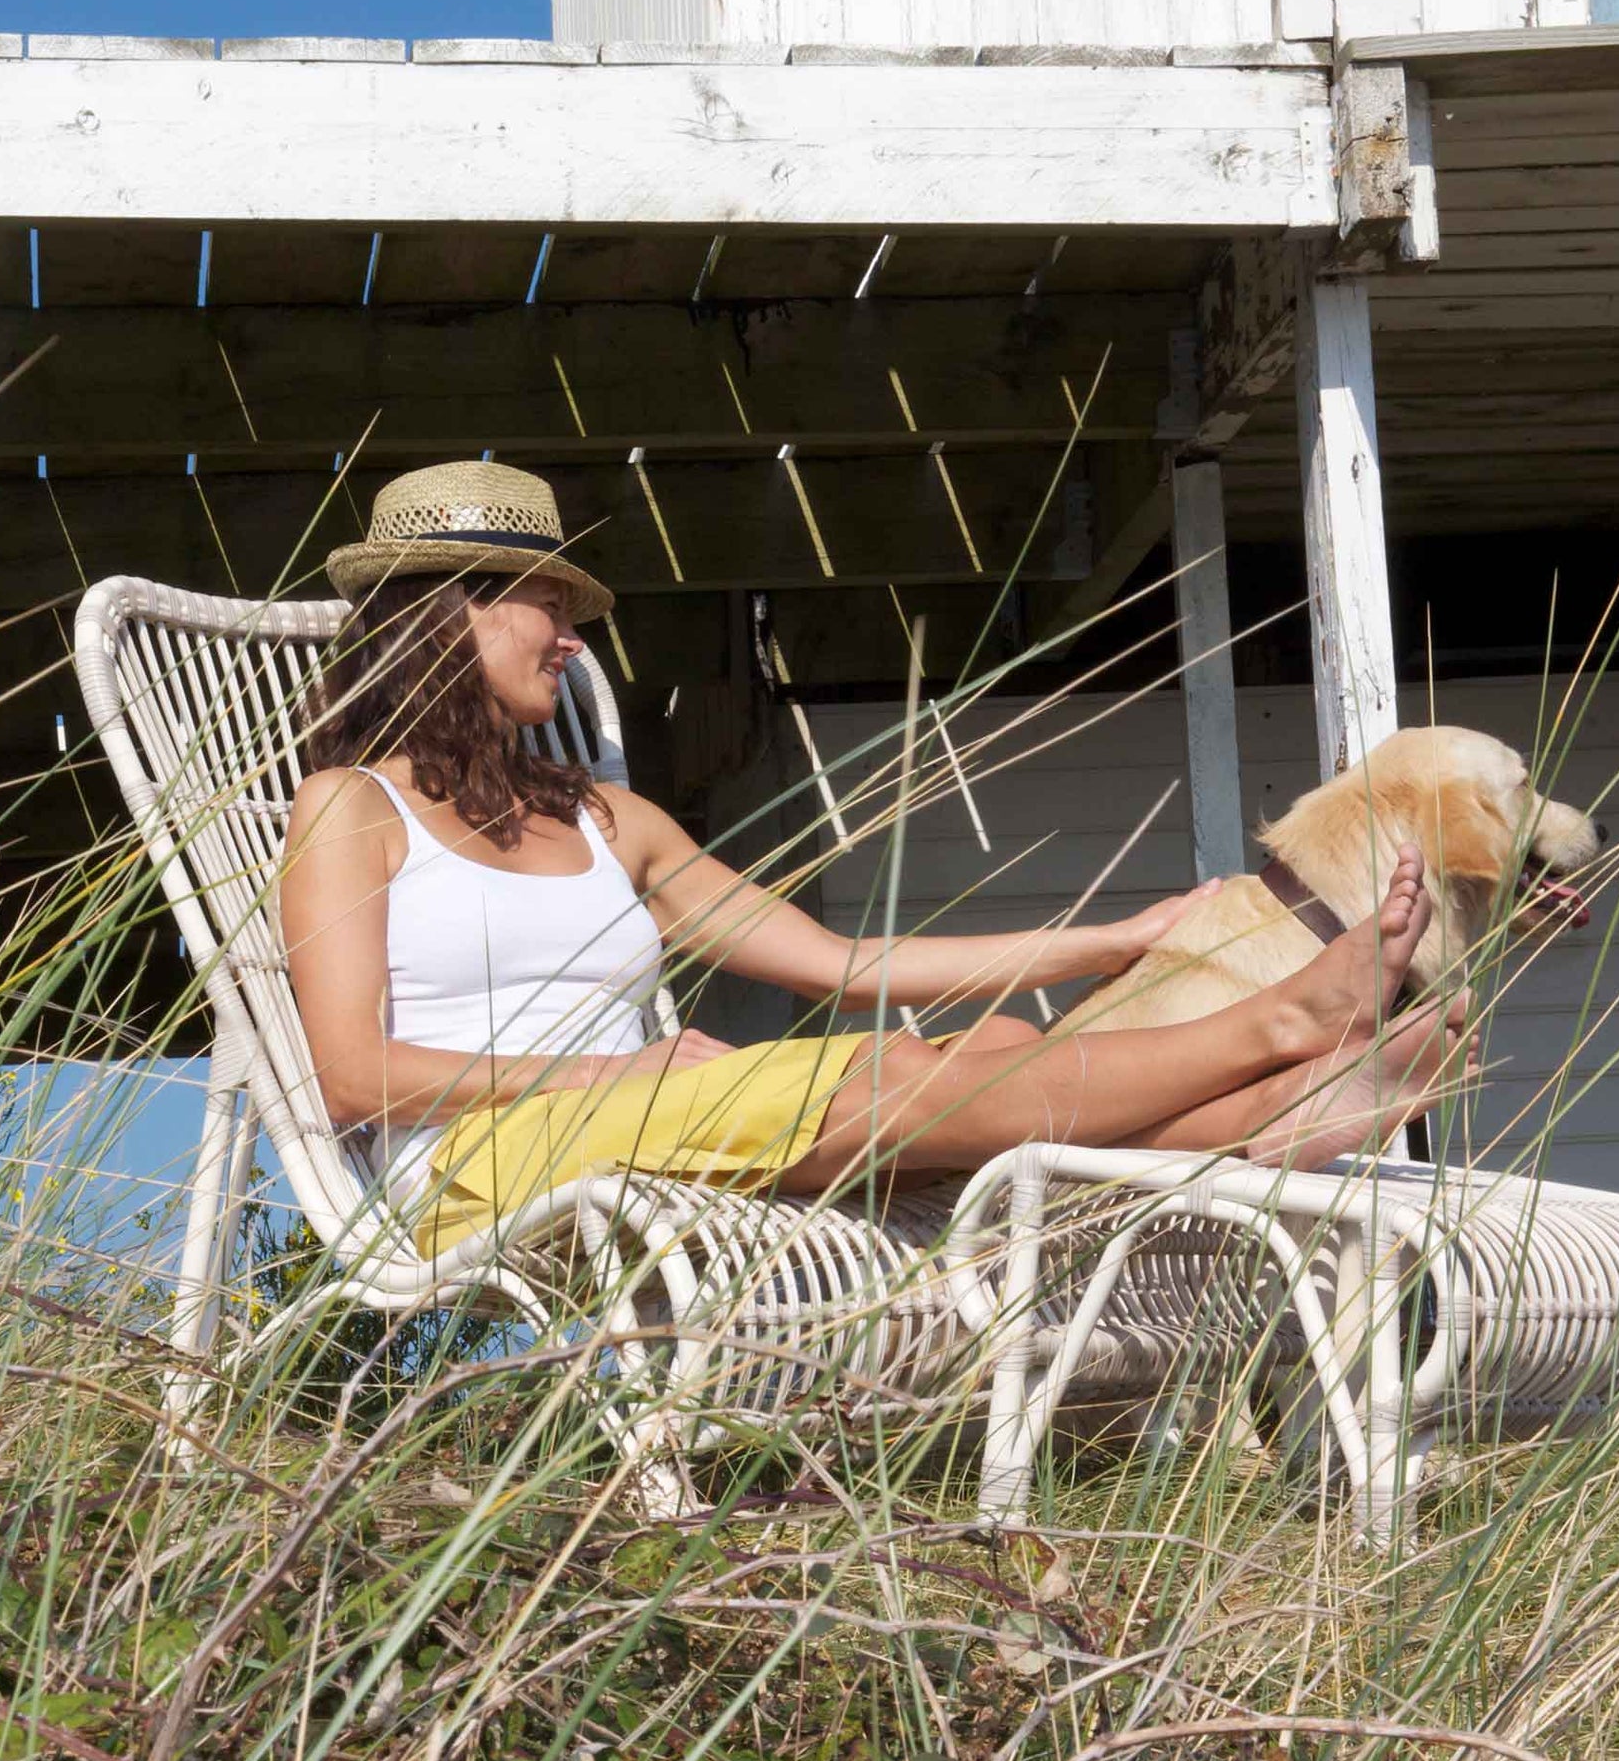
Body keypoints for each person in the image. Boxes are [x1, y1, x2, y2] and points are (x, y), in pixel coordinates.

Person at [281, 461, 1471, 1257]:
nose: (574, 632)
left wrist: (1111, 937)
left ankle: (1266, 1112)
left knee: (997, 1043)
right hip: (476, 1174)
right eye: (547, 602)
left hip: (662, 1121)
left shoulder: (606, 818)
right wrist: (608, 1078)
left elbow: (842, 961)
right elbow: (352, 1075)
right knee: (863, 1081)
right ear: (453, 610)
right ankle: (1276, 1037)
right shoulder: (352, 807)